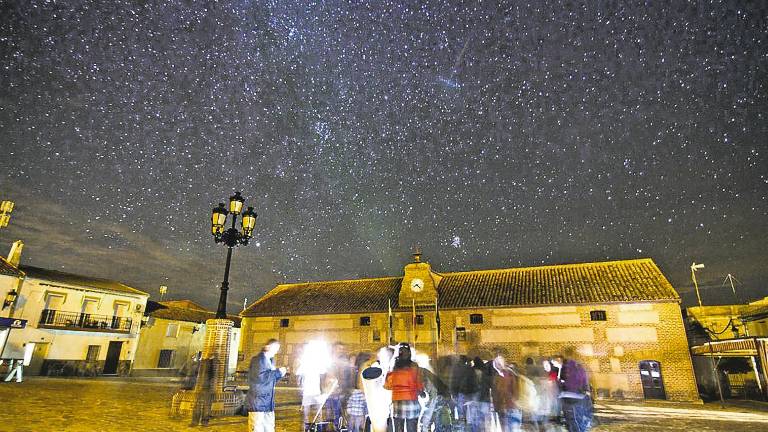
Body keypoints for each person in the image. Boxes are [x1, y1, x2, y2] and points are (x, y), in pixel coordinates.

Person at [247, 339, 287, 432]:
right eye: (275, 348)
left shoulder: (270, 361)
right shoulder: (257, 360)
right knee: (257, 427)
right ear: (267, 347)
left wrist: (280, 374)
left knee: (269, 428)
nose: (276, 351)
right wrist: (277, 372)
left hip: (268, 402)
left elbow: (270, 380)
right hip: (258, 402)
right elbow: (260, 378)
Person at [384, 344, 424, 432]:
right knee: (412, 429)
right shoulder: (414, 366)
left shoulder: (394, 367)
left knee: (398, 429)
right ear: (409, 353)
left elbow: (387, 385)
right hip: (412, 401)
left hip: (397, 403)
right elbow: (419, 383)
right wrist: (421, 392)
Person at [558, 349, 592, 432]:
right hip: (579, 396)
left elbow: (560, 381)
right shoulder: (580, 367)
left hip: (567, 396)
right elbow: (585, 380)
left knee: (570, 419)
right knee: (578, 417)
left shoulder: (564, 366)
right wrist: (586, 390)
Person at [490, 353, 521, 432]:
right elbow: (495, 392)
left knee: (509, 428)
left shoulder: (508, 374)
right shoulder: (499, 376)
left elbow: (514, 389)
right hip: (505, 406)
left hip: (508, 406)